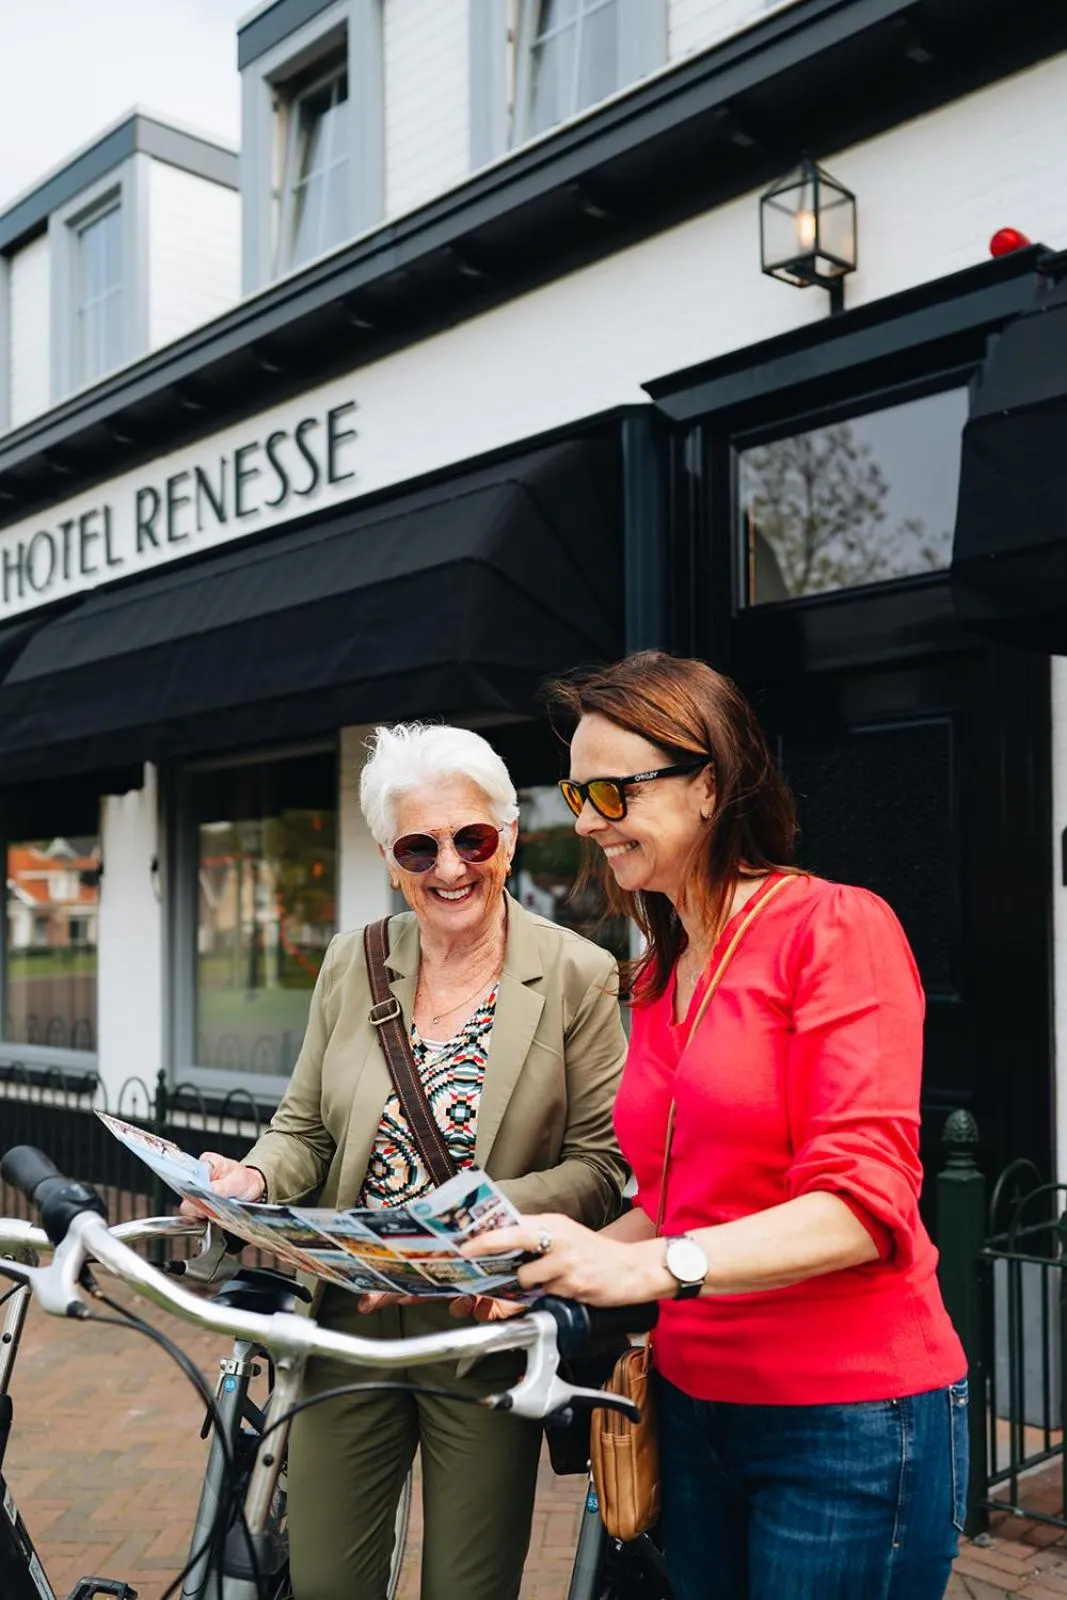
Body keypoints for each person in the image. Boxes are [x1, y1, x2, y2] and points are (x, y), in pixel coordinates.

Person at [468, 651, 969, 1600]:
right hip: (695, 1406)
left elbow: (864, 1207)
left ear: (708, 784)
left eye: (613, 793)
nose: (583, 822)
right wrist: (548, 1247)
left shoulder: (836, 929)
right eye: (577, 792)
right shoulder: (659, 971)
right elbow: (675, 1204)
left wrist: (646, 1270)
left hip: (847, 1417)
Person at [189, 721, 629, 1600]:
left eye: (471, 839)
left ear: (506, 837)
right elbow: (305, 1126)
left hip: (482, 1321)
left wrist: (460, 1221)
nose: (450, 868)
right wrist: (252, 1177)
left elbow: (603, 1164)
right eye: (419, 848)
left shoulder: (577, 972)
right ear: (391, 861)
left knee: (469, 1585)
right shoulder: (353, 965)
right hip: (347, 1317)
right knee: (325, 1581)